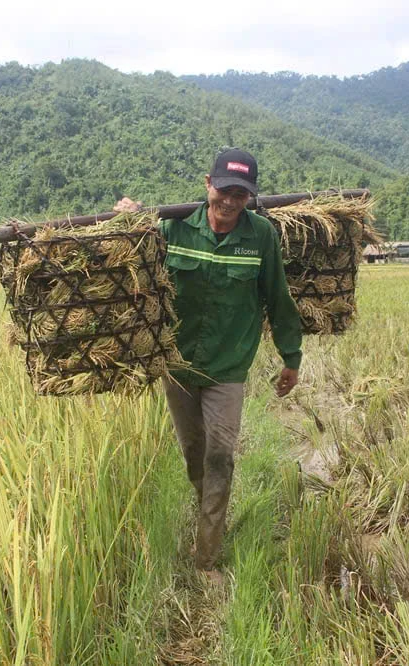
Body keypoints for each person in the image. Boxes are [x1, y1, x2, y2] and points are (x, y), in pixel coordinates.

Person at [115, 149, 303, 583]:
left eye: (241, 193)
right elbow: (126, 261)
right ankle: (208, 505)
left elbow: (278, 297)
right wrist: (125, 218)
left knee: (220, 455)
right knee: (194, 455)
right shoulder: (172, 228)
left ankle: (207, 558)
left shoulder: (260, 237)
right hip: (178, 366)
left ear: (250, 197)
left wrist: (290, 357)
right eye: (225, 190)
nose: (231, 201)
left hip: (228, 367)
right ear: (207, 184)